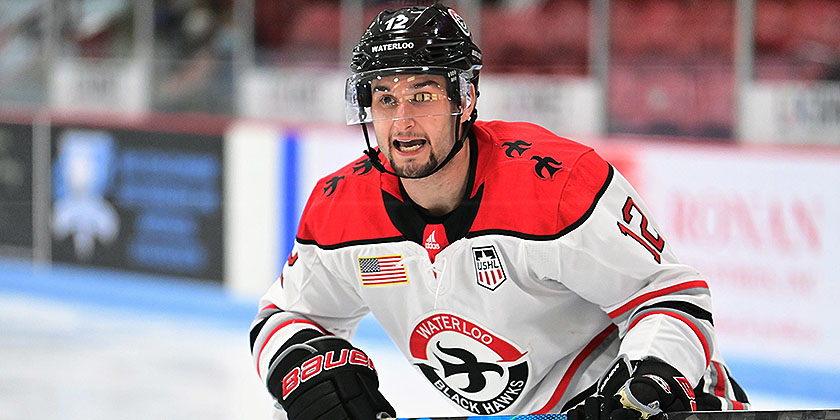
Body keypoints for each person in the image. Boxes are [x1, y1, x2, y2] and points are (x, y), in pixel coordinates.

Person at [249, 4, 750, 420]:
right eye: (384, 98)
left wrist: (644, 386)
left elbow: (671, 297)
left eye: (422, 95)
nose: (400, 121)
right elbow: (284, 316)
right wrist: (307, 369)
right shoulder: (341, 207)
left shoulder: (555, 185)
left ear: (464, 100)